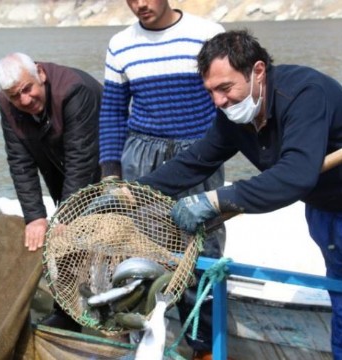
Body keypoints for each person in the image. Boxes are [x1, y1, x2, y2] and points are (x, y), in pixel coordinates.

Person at [138, 30, 342, 359]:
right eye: (211, 91)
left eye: (225, 88)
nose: (218, 101)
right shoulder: (233, 116)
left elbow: (294, 176)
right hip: (327, 211)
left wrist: (213, 201)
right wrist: (134, 191)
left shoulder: (304, 94)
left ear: (257, 72)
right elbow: (196, 160)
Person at [98, 1, 225, 358]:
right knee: (146, 250)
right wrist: (111, 175)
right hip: (143, 156)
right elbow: (111, 112)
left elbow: (228, 98)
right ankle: (145, 339)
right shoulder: (121, 43)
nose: (140, 4)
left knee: (204, 247)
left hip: (200, 152)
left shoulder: (207, 33)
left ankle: (203, 345)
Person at [0, 52, 103, 331]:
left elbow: (82, 158)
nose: (25, 100)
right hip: (56, 164)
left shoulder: (75, 90)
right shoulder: (8, 105)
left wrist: (65, 216)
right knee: (58, 233)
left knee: (95, 232)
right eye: (15, 96)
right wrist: (35, 216)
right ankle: (68, 311)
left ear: (40, 74)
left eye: (28, 89)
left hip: (104, 163)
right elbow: (20, 161)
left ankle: (112, 307)